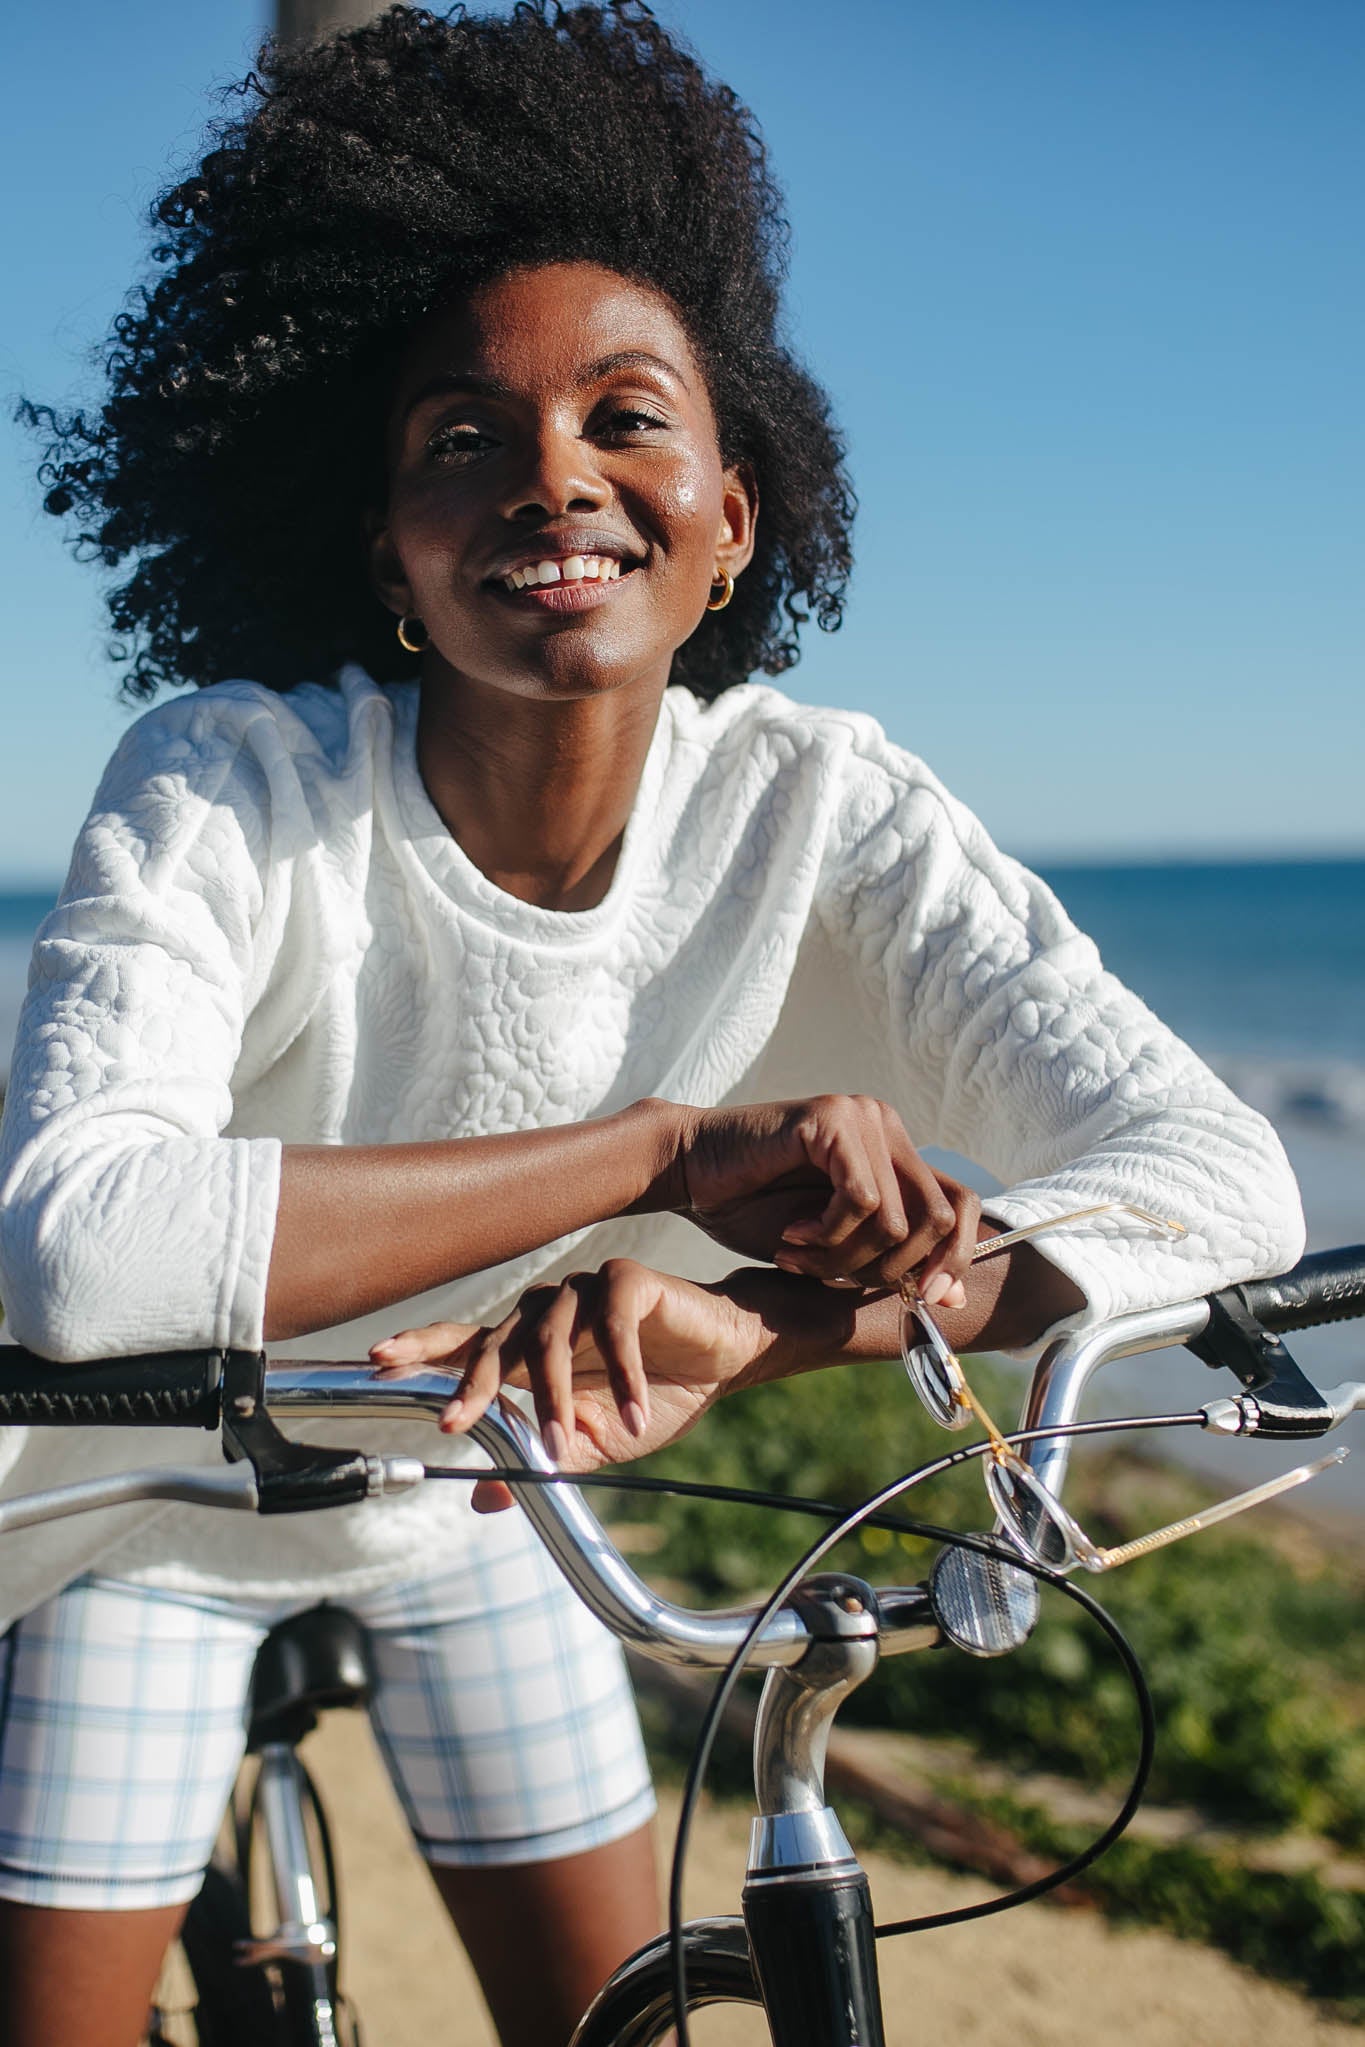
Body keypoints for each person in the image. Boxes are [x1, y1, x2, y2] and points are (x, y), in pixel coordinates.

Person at [0, 6, 1303, 2044]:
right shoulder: (230, 781)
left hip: (480, 1499)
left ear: (731, 515)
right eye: (461, 438)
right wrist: (662, 1162)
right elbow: (85, 1252)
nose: (551, 478)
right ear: (381, 549)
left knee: (627, 2023)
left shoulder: (820, 808)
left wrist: (748, 1325)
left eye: (625, 419)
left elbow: (1217, 1181)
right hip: (140, 1509)